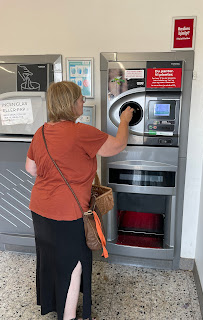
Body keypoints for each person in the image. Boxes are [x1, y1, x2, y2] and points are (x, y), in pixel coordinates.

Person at [25, 81, 133, 320]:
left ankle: (56, 305)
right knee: (74, 265)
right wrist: (125, 120)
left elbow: (30, 168)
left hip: (39, 209)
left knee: (51, 259)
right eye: (80, 98)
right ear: (70, 103)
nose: (83, 101)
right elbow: (118, 145)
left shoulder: (41, 131)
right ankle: (69, 316)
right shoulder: (82, 132)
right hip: (68, 213)